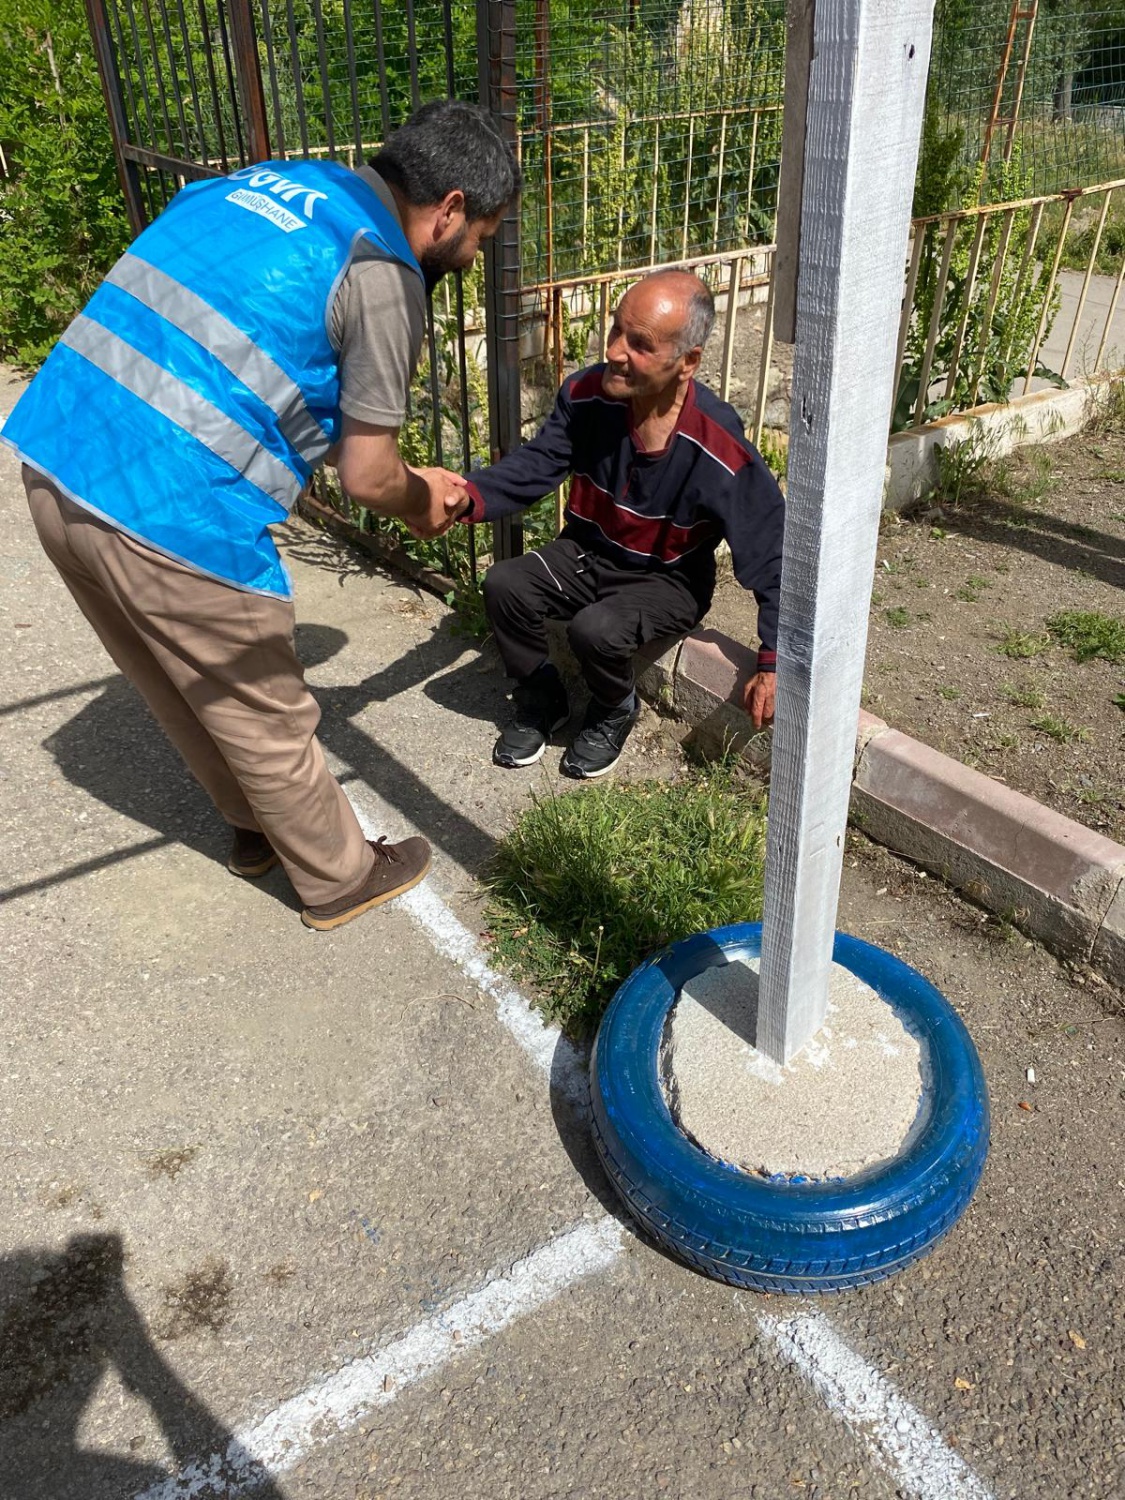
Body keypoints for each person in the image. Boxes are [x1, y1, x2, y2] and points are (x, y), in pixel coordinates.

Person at [1, 101, 518, 931]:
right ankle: (341, 878)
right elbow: (368, 475)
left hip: (57, 452)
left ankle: (253, 832)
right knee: (264, 709)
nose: (476, 252)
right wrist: (428, 499)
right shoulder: (380, 270)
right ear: (450, 207)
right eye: (483, 235)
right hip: (169, 506)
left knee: (173, 676)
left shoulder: (262, 183)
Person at [455, 269, 784, 778]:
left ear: (687, 362)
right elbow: (536, 466)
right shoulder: (588, 395)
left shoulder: (717, 443)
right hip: (586, 551)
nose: (613, 350)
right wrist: (465, 496)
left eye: (640, 343)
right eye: (615, 331)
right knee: (505, 584)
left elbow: (769, 549)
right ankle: (542, 700)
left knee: (597, 629)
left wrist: (774, 658)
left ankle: (613, 708)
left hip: (667, 581)